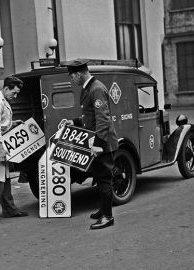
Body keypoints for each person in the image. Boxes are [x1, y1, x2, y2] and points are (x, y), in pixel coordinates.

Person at [65, 59, 118, 230]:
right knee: (99, 176)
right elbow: (90, 117)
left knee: (104, 179)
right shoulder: (89, 88)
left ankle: (108, 217)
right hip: (97, 141)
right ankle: (103, 209)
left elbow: (103, 119)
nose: (72, 80)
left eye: (72, 77)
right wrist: (73, 122)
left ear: (78, 74)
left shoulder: (96, 89)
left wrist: (98, 144)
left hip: (102, 143)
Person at [0, 76, 28, 224]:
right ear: (6, 88)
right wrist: (0, 148)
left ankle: (9, 209)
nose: (15, 96)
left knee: (5, 178)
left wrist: (12, 124)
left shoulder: (2, 100)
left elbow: (0, 123)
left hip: (0, 141)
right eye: (14, 93)